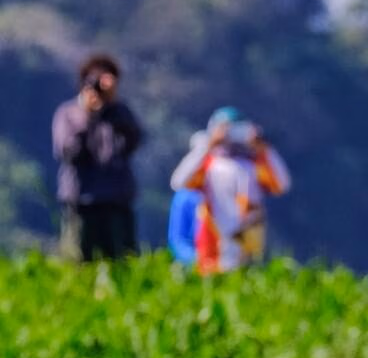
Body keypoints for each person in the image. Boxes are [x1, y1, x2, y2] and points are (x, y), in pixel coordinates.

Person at [170, 107, 291, 274]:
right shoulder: (208, 165)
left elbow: (282, 184)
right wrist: (208, 145)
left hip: (248, 253)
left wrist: (263, 147)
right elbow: (179, 181)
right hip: (212, 253)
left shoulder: (254, 166)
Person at [52, 53, 144, 262]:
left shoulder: (120, 113)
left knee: (123, 261)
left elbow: (134, 142)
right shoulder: (69, 113)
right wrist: (88, 116)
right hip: (82, 202)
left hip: (117, 201)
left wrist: (113, 108)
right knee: (78, 261)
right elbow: (68, 152)